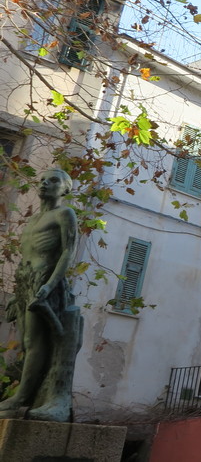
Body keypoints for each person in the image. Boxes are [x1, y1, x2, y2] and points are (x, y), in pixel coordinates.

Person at [0, 169, 83, 422]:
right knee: (27, 343)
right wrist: (17, 294)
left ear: (66, 189)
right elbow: (27, 256)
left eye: (54, 180)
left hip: (44, 282)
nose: (45, 183)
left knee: (35, 341)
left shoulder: (65, 214)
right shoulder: (33, 220)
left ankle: (22, 397)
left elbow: (68, 252)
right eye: (43, 180)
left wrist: (49, 285)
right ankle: (28, 394)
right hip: (26, 283)